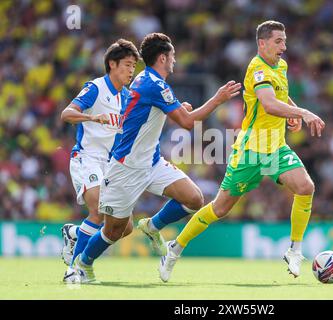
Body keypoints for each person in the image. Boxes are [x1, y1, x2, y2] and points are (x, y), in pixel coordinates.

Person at [158, 20, 326, 282]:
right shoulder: (257, 69)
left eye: (285, 40)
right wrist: (302, 112)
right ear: (262, 43)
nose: (284, 46)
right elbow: (269, 104)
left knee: (305, 187)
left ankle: (294, 250)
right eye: (278, 41)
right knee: (220, 208)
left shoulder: (280, 65)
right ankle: (175, 247)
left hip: (276, 147)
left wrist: (291, 111)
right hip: (250, 151)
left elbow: (280, 97)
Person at [72, 33, 242, 283]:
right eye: (172, 55)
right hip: (126, 166)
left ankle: (152, 226)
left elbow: (154, 115)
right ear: (163, 57)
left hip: (151, 162)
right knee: (114, 229)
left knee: (194, 198)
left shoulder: (149, 81)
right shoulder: (154, 84)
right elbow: (186, 123)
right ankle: (82, 264)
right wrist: (218, 99)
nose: (175, 60)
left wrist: (177, 108)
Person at [60, 39, 139, 283]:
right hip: (87, 158)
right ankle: (74, 269)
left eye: (134, 66)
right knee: (97, 210)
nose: (131, 71)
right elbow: (66, 114)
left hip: (111, 165)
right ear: (112, 64)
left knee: (124, 228)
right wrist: (93, 117)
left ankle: (74, 233)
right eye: (127, 64)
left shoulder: (127, 97)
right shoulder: (95, 88)